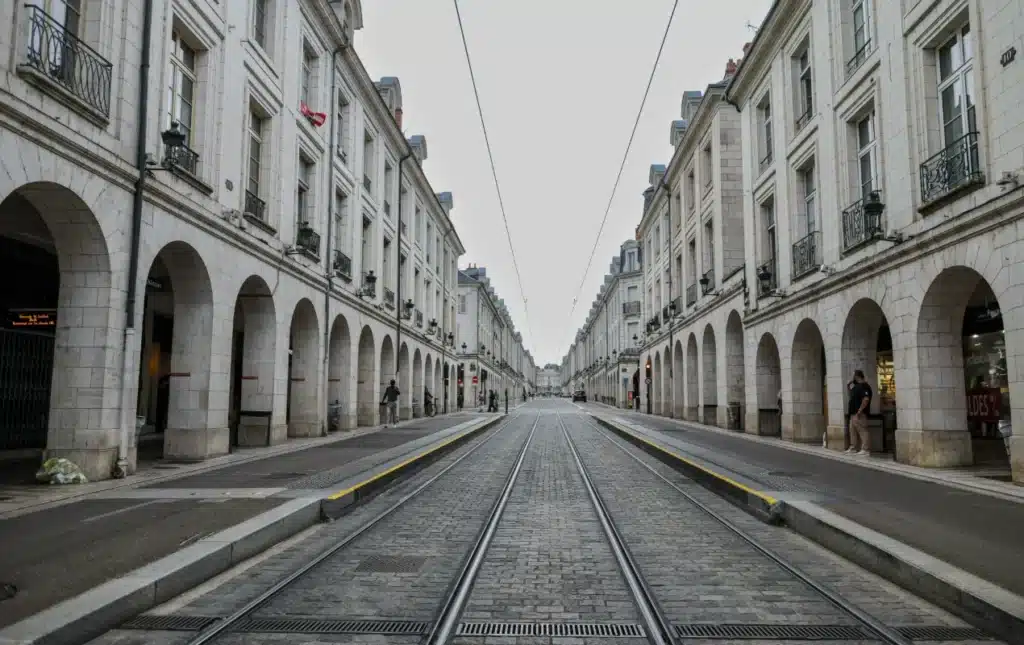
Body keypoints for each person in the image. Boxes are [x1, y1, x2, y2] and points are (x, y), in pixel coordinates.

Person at [846, 370, 873, 456]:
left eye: (853, 376)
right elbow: (851, 396)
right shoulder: (856, 387)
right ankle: (853, 447)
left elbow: (866, 399)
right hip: (853, 413)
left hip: (859, 413)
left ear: (856, 376)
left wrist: (860, 411)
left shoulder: (864, 386)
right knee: (852, 430)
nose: (852, 377)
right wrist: (848, 386)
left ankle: (865, 449)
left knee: (862, 430)